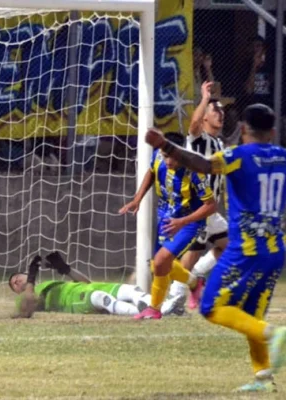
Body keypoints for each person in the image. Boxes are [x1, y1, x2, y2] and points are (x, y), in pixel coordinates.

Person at [144, 104, 286, 392]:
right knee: (251, 313)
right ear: (272, 132)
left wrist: (165, 145)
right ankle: (262, 378)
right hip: (275, 250)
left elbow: (204, 165)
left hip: (245, 249)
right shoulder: (283, 157)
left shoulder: (237, 155)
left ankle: (272, 334)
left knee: (210, 307)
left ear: (243, 129)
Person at [119, 133, 216, 320]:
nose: (168, 161)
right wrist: (137, 199)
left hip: (189, 221)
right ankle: (195, 283)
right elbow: (152, 172)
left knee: (161, 260)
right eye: (165, 156)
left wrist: (182, 222)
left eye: (172, 156)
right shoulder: (158, 156)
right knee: (159, 264)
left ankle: (154, 309)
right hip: (167, 216)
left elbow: (211, 205)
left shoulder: (195, 171)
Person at [168, 82, 228, 310]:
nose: (221, 113)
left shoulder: (219, 143)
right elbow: (193, 125)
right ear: (205, 118)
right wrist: (204, 98)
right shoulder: (198, 140)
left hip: (211, 211)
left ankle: (197, 278)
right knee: (191, 255)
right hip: (197, 208)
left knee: (231, 246)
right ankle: (174, 300)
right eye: (216, 110)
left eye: (222, 110)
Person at [10, 252, 184, 318]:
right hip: (73, 302)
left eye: (17, 277)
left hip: (87, 288)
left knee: (131, 290)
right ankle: (148, 313)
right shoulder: (23, 299)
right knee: (101, 298)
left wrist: (66, 269)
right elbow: (29, 305)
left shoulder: (48, 283)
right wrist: (31, 276)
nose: (17, 281)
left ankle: (164, 306)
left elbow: (86, 283)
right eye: (14, 285)